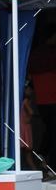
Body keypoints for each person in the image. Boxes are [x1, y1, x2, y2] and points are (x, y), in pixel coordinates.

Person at [28, 24, 56, 173]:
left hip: (42, 101)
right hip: (52, 99)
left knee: (50, 131)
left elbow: (31, 79)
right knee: (53, 132)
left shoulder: (35, 55)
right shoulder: (50, 54)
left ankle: (43, 155)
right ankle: (49, 163)